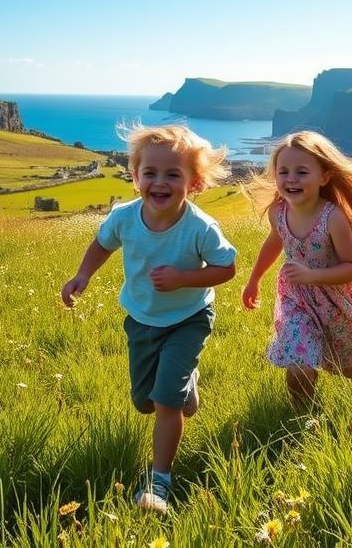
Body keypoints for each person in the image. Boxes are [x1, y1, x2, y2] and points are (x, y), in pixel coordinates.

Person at [60, 124, 237, 513]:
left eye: (173, 174)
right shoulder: (124, 217)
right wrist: (82, 275)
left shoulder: (201, 227)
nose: (160, 182)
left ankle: (159, 482)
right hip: (141, 318)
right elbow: (102, 244)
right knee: (144, 400)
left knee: (165, 403)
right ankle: (185, 386)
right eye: (150, 173)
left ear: (195, 182)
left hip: (189, 318)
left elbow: (227, 268)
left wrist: (184, 279)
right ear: (135, 175)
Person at [241, 131, 352, 408]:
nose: (291, 178)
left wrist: (313, 276)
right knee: (300, 362)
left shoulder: (333, 218)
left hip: (336, 299)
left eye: (301, 171)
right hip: (296, 298)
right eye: (283, 171)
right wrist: (253, 280)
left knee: (348, 368)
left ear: (324, 176)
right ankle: (303, 415)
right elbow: (274, 242)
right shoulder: (278, 212)